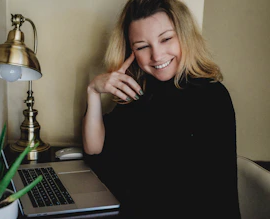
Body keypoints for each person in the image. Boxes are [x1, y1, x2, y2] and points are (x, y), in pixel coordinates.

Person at [82, 0, 241, 218]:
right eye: (142, 46)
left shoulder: (212, 97)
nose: (156, 56)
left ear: (184, 37)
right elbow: (94, 149)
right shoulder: (141, 90)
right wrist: (93, 91)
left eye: (166, 39)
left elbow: (201, 199)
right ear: (131, 51)